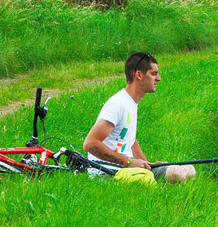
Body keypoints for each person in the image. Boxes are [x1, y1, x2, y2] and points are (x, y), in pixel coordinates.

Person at [83, 51, 196, 183]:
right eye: (154, 73)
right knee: (177, 174)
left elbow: (131, 140)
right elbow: (90, 144)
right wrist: (128, 161)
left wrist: (147, 164)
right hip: (109, 173)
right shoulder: (118, 105)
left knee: (190, 170)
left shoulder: (131, 103)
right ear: (139, 75)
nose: (158, 78)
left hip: (128, 169)